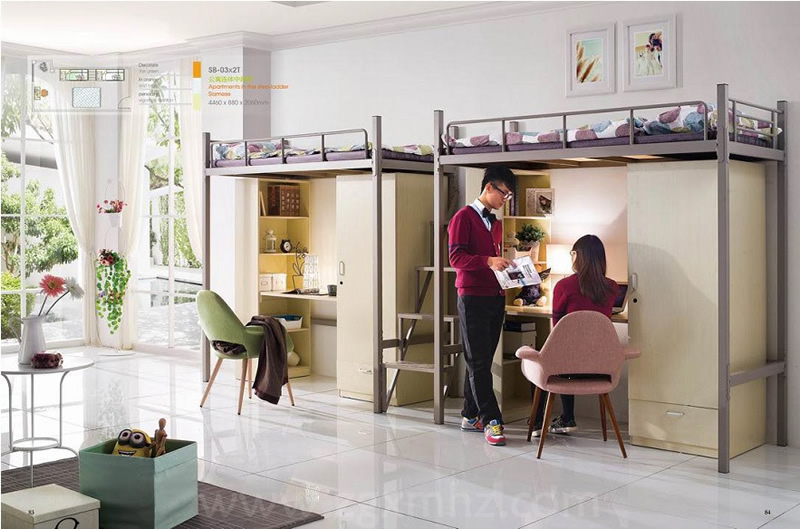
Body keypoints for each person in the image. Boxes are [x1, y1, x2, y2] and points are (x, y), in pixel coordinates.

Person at [448, 166, 515, 446]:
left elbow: (490, 262)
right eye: (504, 193)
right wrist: (488, 261)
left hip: (495, 296)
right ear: (488, 187)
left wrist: (506, 268)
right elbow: (456, 258)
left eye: (508, 195)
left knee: (481, 360)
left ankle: (469, 415)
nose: (505, 199)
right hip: (472, 297)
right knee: (478, 361)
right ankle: (491, 420)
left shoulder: (495, 223)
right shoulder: (463, 217)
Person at [530, 234, 619, 436]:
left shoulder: (563, 286)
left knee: (543, 359)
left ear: (577, 255)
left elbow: (557, 329)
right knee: (567, 354)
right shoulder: (612, 287)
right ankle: (565, 418)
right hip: (600, 364)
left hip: (568, 364)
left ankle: (539, 423)